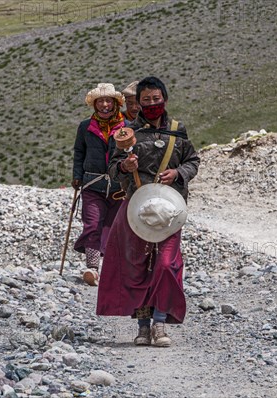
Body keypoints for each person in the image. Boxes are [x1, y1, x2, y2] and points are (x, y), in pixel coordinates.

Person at [96, 76, 200, 347]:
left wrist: (178, 172)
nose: (152, 104)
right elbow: (112, 168)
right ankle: (143, 326)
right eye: (146, 100)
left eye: (156, 99)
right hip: (136, 209)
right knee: (136, 266)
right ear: (138, 103)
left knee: (165, 264)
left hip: (169, 210)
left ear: (164, 99)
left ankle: (161, 324)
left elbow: (193, 161)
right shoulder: (126, 133)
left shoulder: (178, 130)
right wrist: (124, 168)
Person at [72, 83, 125, 286]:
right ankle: (92, 268)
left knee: (112, 228)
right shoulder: (85, 127)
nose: (104, 105)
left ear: (115, 103)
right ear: (95, 105)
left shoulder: (126, 127)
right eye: (100, 101)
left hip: (118, 187)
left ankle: (111, 268)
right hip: (92, 184)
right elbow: (79, 153)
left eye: (108, 101)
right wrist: (77, 175)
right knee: (92, 224)